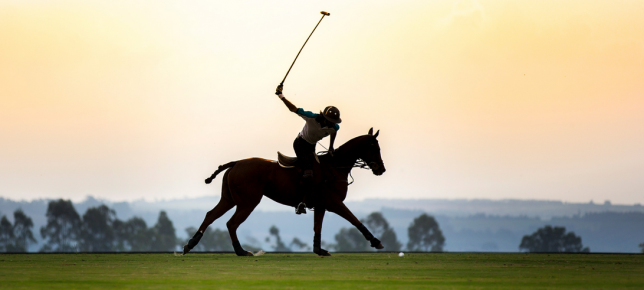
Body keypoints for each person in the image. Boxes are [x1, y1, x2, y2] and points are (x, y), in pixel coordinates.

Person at [275, 84, 341, 214]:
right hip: (300, 144)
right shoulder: (311, 117)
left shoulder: (334, 127)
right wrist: (281, 95)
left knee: (319, 171)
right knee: (308, 172)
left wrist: (331, 147)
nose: (331, 123)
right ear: (323, 117)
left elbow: (334, 133)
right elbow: (293, 109)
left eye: (333, 121)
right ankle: (299, 203)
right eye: (329, 120)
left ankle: (313, 197)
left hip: (311, 147)